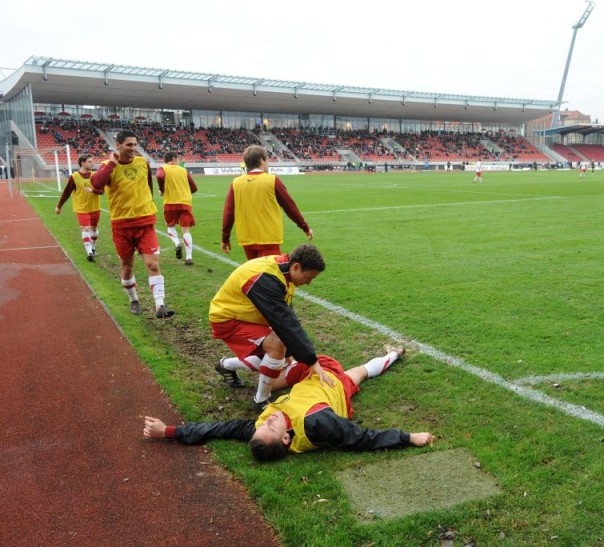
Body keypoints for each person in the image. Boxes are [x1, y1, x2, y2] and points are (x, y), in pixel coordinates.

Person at [142, 346, 435, 462]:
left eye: (262, 425)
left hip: (303, 384)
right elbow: (362, 438)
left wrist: (168, 431)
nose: (264, 421)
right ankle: (395, 353)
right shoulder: (318, 424)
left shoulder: (261, 431)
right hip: (329, 380)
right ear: (285, 437)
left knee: (277, 363)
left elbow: (220, 429)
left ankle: (230, 364)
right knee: (357, 373)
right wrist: (409, 437)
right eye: (270, 425)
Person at [210, 243, 329, 408]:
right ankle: (261, 400)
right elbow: (284, 321)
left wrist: (291, 352)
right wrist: (311, 361)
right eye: (309, 277)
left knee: (282, 357)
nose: (308, 283)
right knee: (277, 345)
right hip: (228, 319)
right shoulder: (265, 279)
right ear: (296, 266)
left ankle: (226, 365)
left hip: (246, 317)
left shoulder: (282, 271)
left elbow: (286, 316)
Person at [90, 130, 175, 318]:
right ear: (118, 145)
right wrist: (111, 163)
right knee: (127, 266)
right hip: (121, 225)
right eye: (129, 145)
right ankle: (134, 299)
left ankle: (160, 305)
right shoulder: (107, 166)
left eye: (135, 145)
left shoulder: (142, 163)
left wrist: (149, 205)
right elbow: (96, 184)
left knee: (153, 265)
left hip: (145, 222)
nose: (133, 148)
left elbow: (148, 186)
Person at [222, 145, 313, 260]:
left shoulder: (236, 183)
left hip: (247, 240)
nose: (267, 164)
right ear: (261, 160)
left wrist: (225, 238)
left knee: (256, 274)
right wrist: (305, 227)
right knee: (269, 275)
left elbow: (228, 214)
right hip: (269, 238)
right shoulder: (272, 180)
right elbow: (289, 206)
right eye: (266, 160)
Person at [54, 154, 100, 261]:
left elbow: (101, 191)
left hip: (95, 207)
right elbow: (66, 193)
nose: (91, 163)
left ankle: (93, 248)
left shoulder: (95, 175)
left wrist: (93, 190)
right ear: (82, 162)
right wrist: (59, 206)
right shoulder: (74, 177)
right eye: (89, 161)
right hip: (81, 208)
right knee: (86, 229)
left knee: (94, 229)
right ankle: (89, 253)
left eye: (92, 161)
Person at [156, 151, 197, 266]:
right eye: (177, 159)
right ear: (174, 159)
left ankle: (177, 243)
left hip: (170, 202)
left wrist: (162, 189)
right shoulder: (183, 170)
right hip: (185, 203)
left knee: (170, 226)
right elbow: (194, 188)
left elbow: (159, 176)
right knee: (186, 230)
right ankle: (189, 257)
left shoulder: (162, 168)